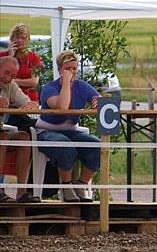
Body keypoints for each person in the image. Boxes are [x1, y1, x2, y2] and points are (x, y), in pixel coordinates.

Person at [35, 50, 101, 202]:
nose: (72, 72)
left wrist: (97, 101)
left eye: (74, 68)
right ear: (59, 70)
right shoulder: (49, 88)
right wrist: (65, 83)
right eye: (67, 69)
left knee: (98, 146)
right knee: (65, 147)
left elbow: (97, 98)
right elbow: (62, 107)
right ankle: (66, 187)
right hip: (47, 130)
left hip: (71, 130)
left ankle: (81, 184)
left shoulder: (81, 86)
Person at [0, 56, 40, 203]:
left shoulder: (10, 86)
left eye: (13, 76)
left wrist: (32, 105)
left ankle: (21, 191)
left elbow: (28, 103)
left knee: (23, 137)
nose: (9, 78)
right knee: (2, 137)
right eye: (6, 73)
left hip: (2, 130)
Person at [0, 24, 43, 103]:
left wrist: (10, 81)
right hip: (6, 98)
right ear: (11, 39)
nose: (19, 40)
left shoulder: (35, 58)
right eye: (17, 37)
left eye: (23, 38)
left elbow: (34, 82)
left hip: (28, 99)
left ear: (28, 40)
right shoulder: (2, 56)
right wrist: (10, 57)